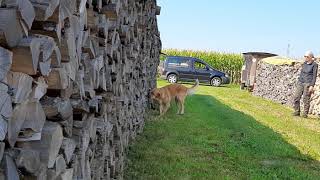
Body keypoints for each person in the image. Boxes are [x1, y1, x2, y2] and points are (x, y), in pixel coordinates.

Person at [293, 51, 318, 118]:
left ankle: (305, 113)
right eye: (305, 56)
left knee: (305, 98)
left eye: (307, 56)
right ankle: (297, 111)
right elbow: (302, 73)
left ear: (311, 57)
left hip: (308, 83)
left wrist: (312, 85)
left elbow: (314, 76)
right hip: (300, 82)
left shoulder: (314, 65)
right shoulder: (304, 63)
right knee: (296, 97)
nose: (305, 58)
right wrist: (299, 81)